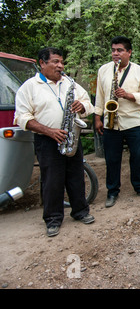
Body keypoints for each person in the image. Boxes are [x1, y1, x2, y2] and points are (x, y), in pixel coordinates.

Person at [14, 47, 95, 237]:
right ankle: (53, 219)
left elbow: (89, 105)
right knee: (52, 181)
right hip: (47, 141)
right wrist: (49, 131)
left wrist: (82, 105)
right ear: (42, 63)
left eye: (61, 62)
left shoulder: (70, 83)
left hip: (71, 137)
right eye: (56, 62)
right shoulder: (29, 87)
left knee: (76, 176)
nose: (60, 66)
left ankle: (80, 211)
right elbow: (22, 117)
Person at [94, 36, 140, 207]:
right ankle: (112, 191)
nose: (115, 53)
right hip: (111, 122)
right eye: (113, 50)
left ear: (129, 52)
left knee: (138, 157)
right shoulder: (104, 70)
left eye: (119, 50)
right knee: (112, 159)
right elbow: (100, 96)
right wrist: (97, 118)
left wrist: (128, 95)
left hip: (133, 121)